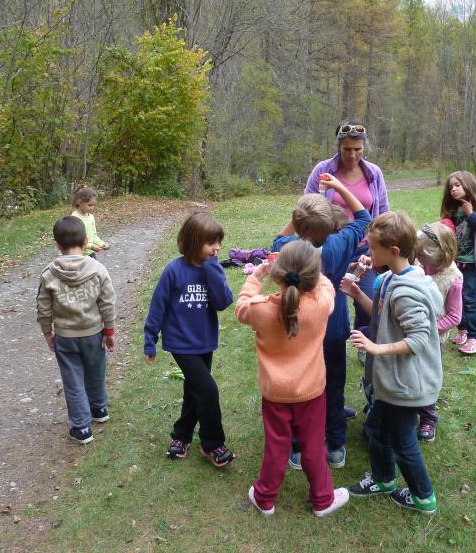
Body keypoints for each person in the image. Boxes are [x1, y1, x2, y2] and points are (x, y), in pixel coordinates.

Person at [235, 240, 350, 517]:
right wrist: (314, 271)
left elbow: (241, 306)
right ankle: (323, 499)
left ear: (278, 274)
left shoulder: (261, 309)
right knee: (312, 445)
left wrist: (257, 274)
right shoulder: (321, 305)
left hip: (274, 393)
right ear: (312, 275)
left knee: (277, 446)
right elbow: (326, 287)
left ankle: (264, 498)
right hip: (311, 391)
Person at [272, 175, 371, 469]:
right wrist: (340, 187)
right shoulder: (339, 245)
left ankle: (298, 449)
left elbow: (277, 239)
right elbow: (364, 216)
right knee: (334, 383)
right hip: (332, 326)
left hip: (299, 329)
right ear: (331, 226)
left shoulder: (289, 249)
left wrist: (300, 213)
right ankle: (337, 446)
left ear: (299, 226)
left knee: (302, 388)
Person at [348, 211, 442, 515]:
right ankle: (384, 479)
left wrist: (376, 348)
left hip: (406, 385)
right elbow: (381, 316)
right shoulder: (389, 278)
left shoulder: (406, 292)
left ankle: (423, 497)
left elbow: (417, 340)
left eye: (373, 248)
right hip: (392, 381)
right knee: (375, 429)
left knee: (402, 442)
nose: (368, 253)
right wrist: (357, 292)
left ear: (394, 251)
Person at [143, 212, 235, 467]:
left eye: (219, 242)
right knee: (207, 390)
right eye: (210, 243)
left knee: (195, 390)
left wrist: (213, 269)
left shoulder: (212, 268)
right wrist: (150, 339)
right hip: (180, 343)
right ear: (193, 241)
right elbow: (157, 306)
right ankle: (213, 444)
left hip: (204, 341)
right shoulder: (173, 270)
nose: (217, 248)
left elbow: (223, 302)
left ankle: (181, 436)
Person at [36, 216, 116, 444]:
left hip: (65, 337)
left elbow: (43, 307)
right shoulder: (98, 269)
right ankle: (99, 409)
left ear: (57, 244)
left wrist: (47, 333)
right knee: (95, 370)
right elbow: (108, 302)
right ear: (86, 241)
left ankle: (81, 428)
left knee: (73, 381)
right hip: (94, 334)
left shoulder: (49, 274)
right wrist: (109, 332)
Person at [304, 120, 390, 330]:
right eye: (347, 150)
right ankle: (324, 344)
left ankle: (365, 340)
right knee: (327, 300)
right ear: (338, 147)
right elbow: (307, 208)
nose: (352, 155)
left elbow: (383, 213)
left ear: (364, 147)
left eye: (357, 149)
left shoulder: (373, 173)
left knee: (367, 301)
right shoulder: (323, 170)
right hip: (331, 248)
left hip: (364, 250)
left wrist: (378, 248)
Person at [414, 221, 463, 442]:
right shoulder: (417, 264)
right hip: (410, 332)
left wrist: (428, 328)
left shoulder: (452, 279)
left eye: (422, 257)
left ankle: (428, 417)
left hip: (432, 339)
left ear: (439, 255)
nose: (420, 261)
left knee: (427, 377)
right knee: (410, 373)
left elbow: (454, 316)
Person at [440, 171, 476, 355]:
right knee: (454, 296)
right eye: (451, 187)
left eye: (457, 185)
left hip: (474, 263)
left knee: (469, 299)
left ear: (468, 184)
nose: (454, 190)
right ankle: (462, 330)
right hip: (456, 262)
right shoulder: (453, 208)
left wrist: (471, 214)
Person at [71, 186, 110, 260]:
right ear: (79, 202)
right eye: (89, 205)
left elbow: (94, 236)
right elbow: (75, 241)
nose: (92, 208)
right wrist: (90, 246)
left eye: (93, 205)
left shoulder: (91, 217)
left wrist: (102, 244)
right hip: (78, 256)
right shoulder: (74, 218)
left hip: (91, 255)